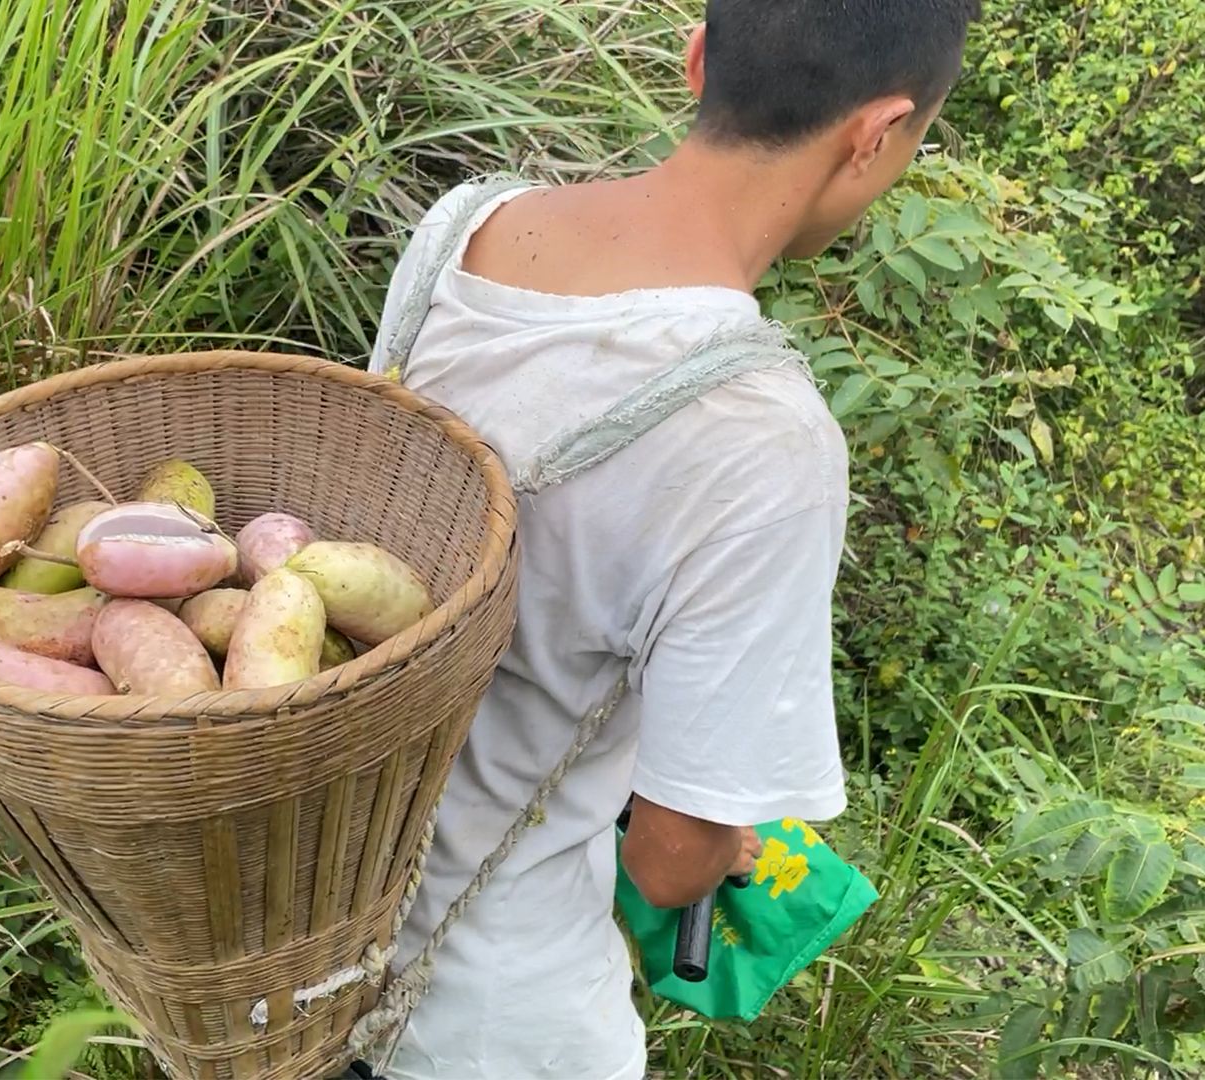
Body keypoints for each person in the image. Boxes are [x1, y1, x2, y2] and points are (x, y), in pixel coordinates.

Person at [361, 2, 982, 1078]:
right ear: (877, 132)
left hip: (299, 948)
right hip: (491, 1027)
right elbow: (667, 863)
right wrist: (725, 839)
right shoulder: (762, 439)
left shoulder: (464, 228)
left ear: (699, 58)